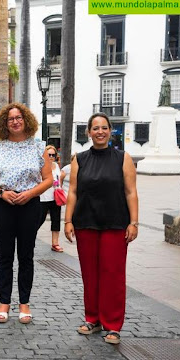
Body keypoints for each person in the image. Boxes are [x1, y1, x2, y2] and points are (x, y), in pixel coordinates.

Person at [64, 112, 139, 345]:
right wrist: (67, 221)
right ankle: (93, 319)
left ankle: (113, 325)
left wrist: (134, 222)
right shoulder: (80, 159)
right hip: (86, 222)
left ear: (110, 131)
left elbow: (131, 192)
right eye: (95, 128)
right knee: (90, 274)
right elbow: (73, 191)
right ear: (88, 132)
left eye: (104, 128)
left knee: (113, 275)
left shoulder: (123, 158)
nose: (100, 132)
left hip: (115, 223)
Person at [0, 103, 53, 324]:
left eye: (19, 117)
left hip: (30, 205)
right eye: (10, 118)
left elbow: (49, 179)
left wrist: (30, 194)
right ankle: (4, 302)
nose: (15, 121)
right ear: (5, 123)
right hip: (3, 205)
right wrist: (1, 193)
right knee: (4, 256)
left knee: (26, 255)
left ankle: (24, 303)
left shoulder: (39, 147)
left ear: (26, 120)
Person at [38, 145, 66, 252]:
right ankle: (28, 237)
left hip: (56, 197)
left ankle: (55, 243)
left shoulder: (56, 165)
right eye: (48, 154)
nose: (50, 157)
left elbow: (60, 178)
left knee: (56, 220)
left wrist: (59, 186)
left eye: (53, 155)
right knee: (39, 219)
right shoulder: (41, 166)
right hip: (43, 197)